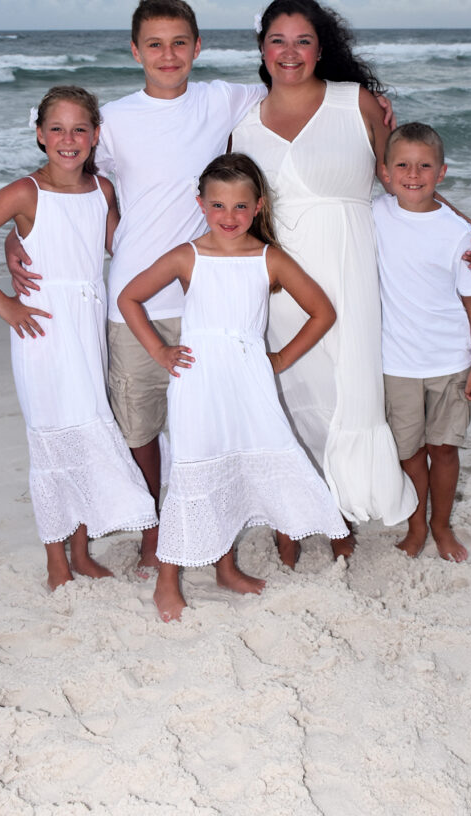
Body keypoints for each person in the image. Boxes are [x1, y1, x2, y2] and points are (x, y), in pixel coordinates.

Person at [6, 0, 267, 573]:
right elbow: (67, 185)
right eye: (154, 44)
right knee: (139, 430)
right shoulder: (116, 121)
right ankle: (153, 535)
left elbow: (299, 91)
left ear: (197, 47)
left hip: (206, 299)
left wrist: (370, 104)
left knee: (207, 427)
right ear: (135, 51)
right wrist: (17, 239)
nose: (168, 55)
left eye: (179, 43)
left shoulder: (224, 98)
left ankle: (215, 538)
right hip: (133, 303)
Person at [232, 0, 471, 563]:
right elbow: (230, 204)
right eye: (278, 40)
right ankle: (304, 512)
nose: (290, 52)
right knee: (291, 392)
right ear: (262, 49)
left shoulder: (357, 103)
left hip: (348, 267)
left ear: (322, 46)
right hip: (277, 279)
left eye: (303, 40)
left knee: (348, 390)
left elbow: (407, 180)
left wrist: (469, 229)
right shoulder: (243, 117)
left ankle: (346, 508)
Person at [0, 86, 157, 590]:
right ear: (39, 134)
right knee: (53, 442)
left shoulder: (101, 191)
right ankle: (55, 560)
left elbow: (123, 250)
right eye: (56, 128)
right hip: (42, 332)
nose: (68, 139)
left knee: (84, 432)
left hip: (87, 328)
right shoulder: (24, 193)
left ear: (96, 135)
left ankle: (80, 551)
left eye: (80, 128)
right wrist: (4, 303)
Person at [117, 153, 349, 621]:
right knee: (194, 469)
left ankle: (226, 568)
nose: (229, 217)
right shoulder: (188, 256)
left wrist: (281, 358)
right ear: (200, 204)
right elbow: (129, 297)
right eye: (218, 205)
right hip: (199, 382)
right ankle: (167, 579)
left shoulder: (269, 259)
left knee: (243, 463)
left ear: (258, 206)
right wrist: (161, 352)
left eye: (240, 207)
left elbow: (322, 311)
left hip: (248, 381)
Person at [373, 123, 471, 561]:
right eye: (402, 164)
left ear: (441, 173)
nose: (413, 173)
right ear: (385, 172)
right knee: (409, 452)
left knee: (444, 449)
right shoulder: (375, 214)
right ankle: (416, 524)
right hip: (396, 364)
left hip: (451, 362)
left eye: (425, 165)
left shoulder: (457, 233)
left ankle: (442, 525)